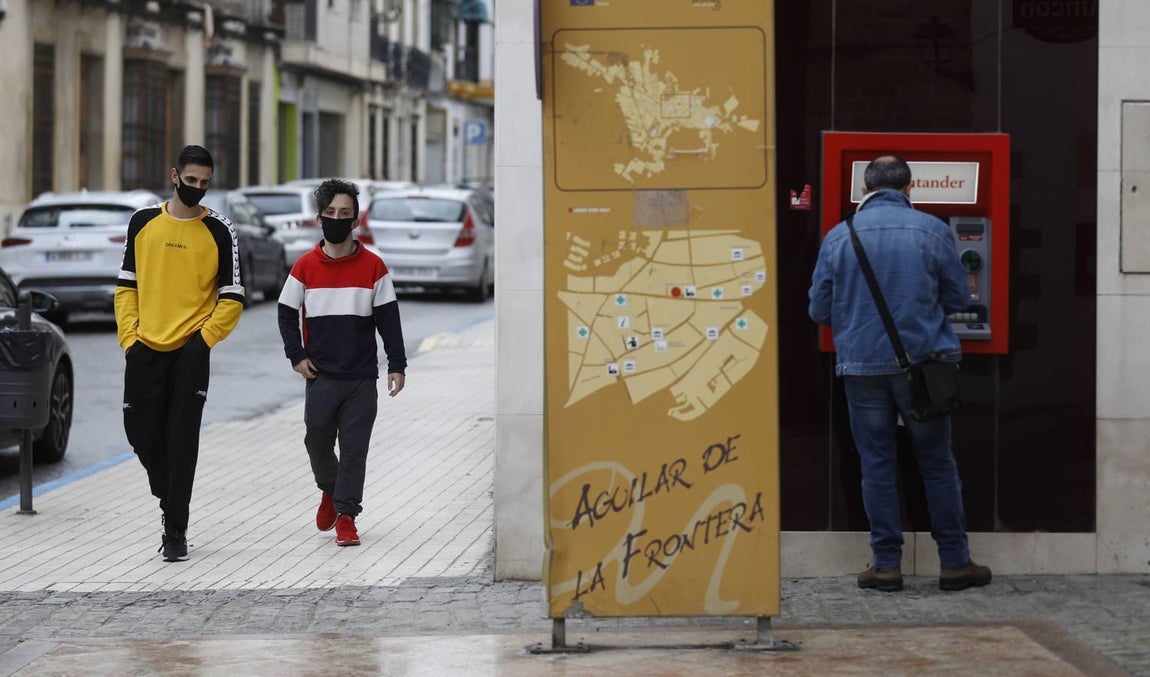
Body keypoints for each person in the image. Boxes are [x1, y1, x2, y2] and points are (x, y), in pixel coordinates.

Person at [808, 155, 991, 593]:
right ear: (909, 189)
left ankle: (886, 565)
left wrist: (858, 318)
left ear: (865, 191)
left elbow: (818, 309)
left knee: (876, 465)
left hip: (862, 367)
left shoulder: (839, 236)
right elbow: (955, 296)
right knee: (937, 465)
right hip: (924, 369)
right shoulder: (931, 230)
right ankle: (954, 562)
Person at [115, 144, 244, 562]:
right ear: (174, 176)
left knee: (181, 440)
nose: (197, 189)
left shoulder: (221, 231)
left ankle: (175, 529)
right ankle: (167, 494)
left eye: (205, 183)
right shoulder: (143, 222)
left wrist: (202, 342)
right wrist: (130, 340)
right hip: (144, 349)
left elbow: (232, 297)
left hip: (191, 352)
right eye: (191, 181)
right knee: (140, 431)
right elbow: (126, 287)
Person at [277, 179, 407, 547]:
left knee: (354, 448)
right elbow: (286, 313)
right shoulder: (304, 267)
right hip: (320, 375)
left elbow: (389, 319)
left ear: (356, 219)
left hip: (361, 377)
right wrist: (296, 355)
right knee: (316, 439)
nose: (337, 219)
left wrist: (397, 364)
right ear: (320, 217)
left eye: (345, 214)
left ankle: (347, 516)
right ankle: (329, 491)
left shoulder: (373, 267)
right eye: (331, 213)